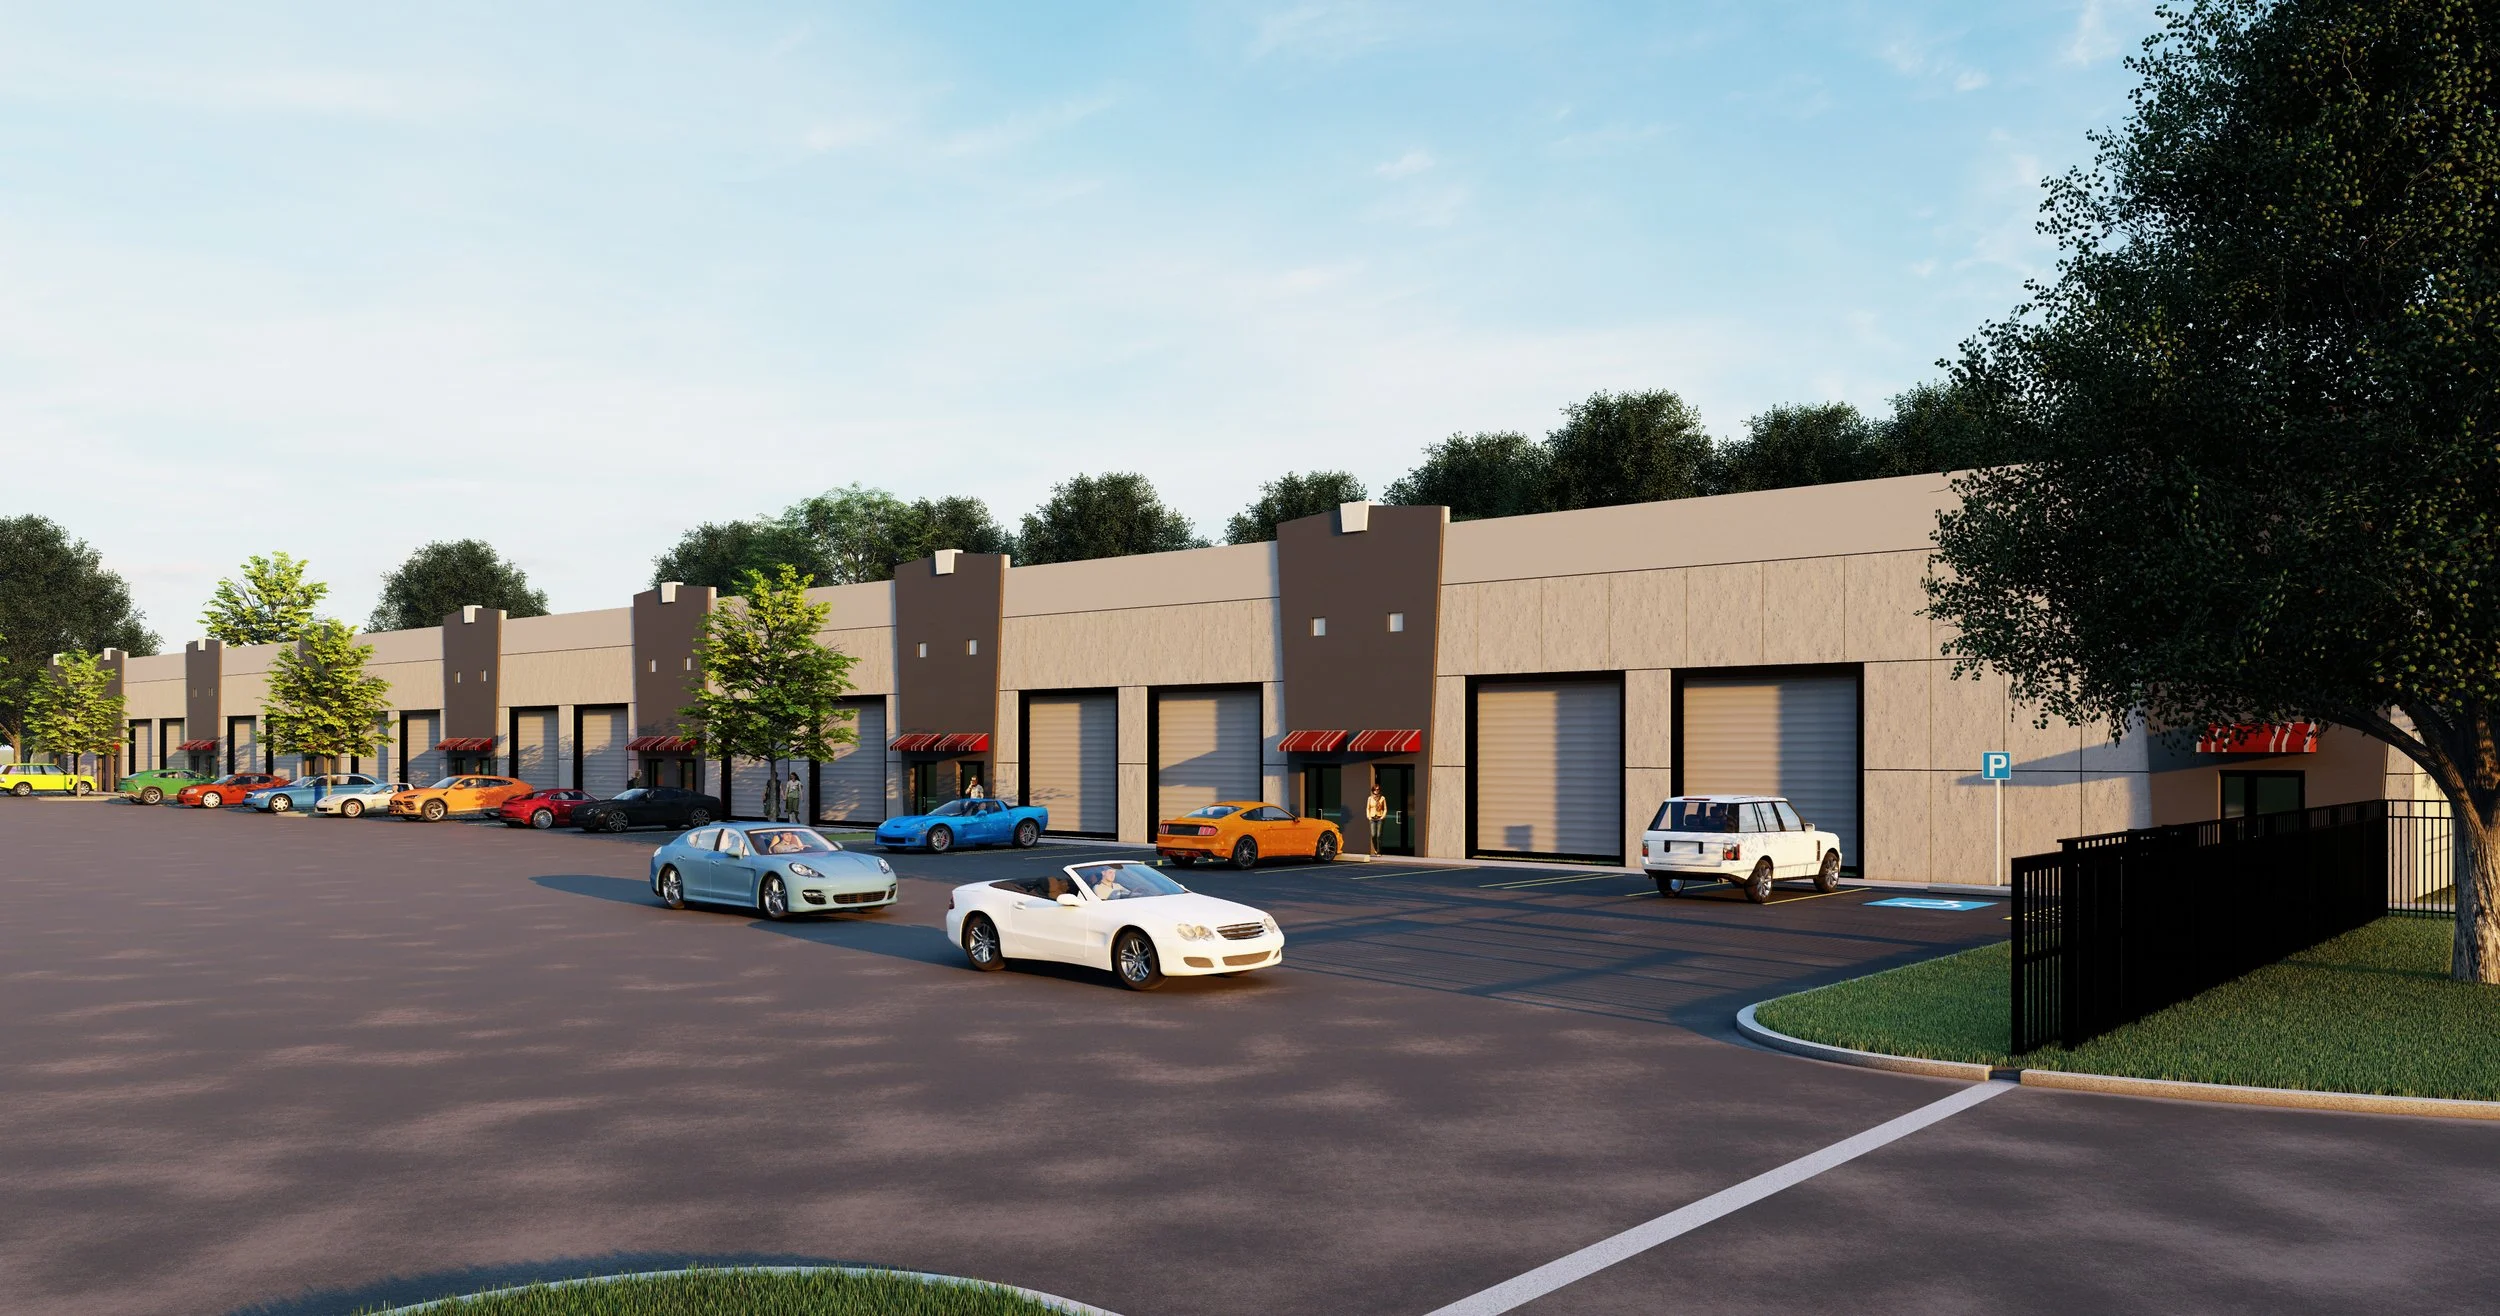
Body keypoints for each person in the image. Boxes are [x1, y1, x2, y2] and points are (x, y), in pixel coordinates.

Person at [1365, 782, 1389, 856]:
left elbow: (1385, 809)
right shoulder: (1370, 798)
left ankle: (1379, 851)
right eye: (1375, 789)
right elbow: (1367, 808)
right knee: (1373, 835)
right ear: (1373, 790)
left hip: (1379, 818)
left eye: (1378, 789)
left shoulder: (1382, 798)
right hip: (1372, 818)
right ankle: (1375, 849)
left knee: (1379, 835)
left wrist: (1383, 816)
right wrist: (1368, 816)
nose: (1376, 791)